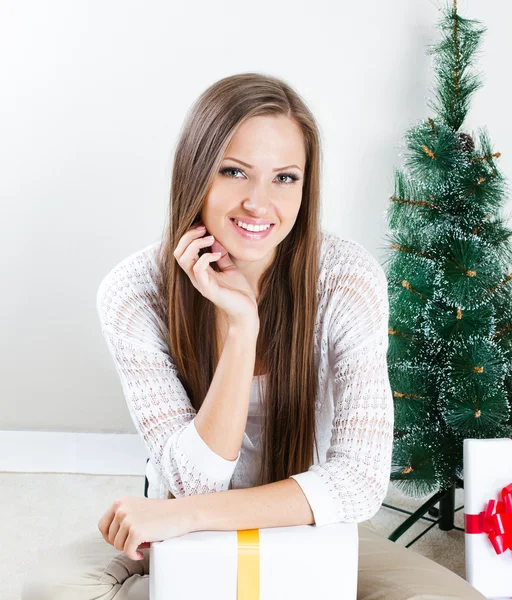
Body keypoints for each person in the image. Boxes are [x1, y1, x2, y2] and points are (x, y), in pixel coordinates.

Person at [21, 72, 486, 600]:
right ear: (197, 174)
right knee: (52, 589)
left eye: (284, 178)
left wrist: (180, 515)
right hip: (186, 532)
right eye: (235, 172)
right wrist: (241, 329)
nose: (259, 205)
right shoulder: (133, 292)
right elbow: (195, 480)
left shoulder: (346, 278)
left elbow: (356, 483)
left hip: (304, 520)